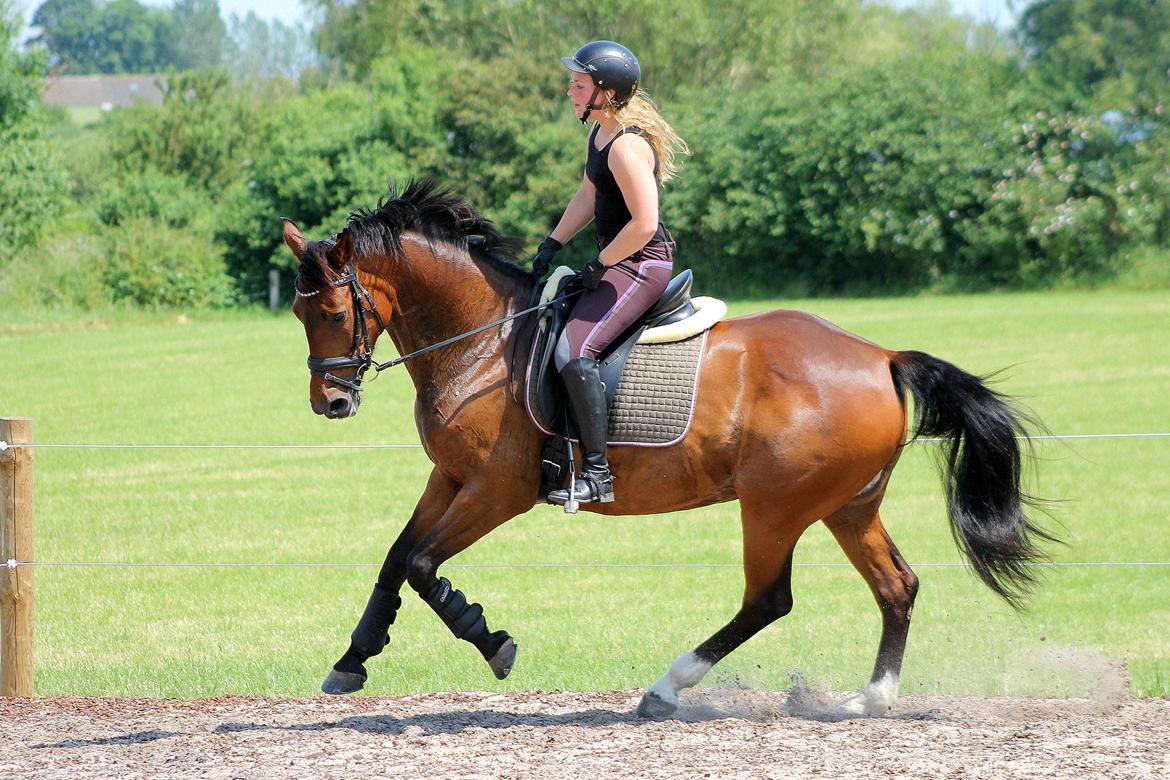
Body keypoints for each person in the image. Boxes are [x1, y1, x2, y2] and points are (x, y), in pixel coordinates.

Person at [532, 40, 689, 506]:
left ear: (605, 91)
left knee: (573, 349)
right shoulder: (599, 134)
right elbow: (588, 195)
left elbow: (643, 224)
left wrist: (600, 263)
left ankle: (598, 474)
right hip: (622, 259)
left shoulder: (625, 147)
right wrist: (554, 241)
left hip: (643, 264)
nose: (570, 92)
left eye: (578, 85)